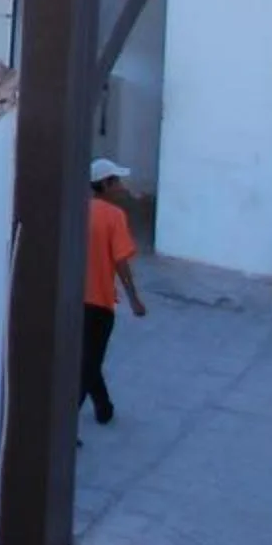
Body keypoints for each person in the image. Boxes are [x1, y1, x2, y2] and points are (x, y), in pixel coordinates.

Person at [84, 158, 148, 425]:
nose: (121, 186)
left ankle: (104, 408)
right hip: (99, 301)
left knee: (87, 360)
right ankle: (66, 424)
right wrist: (134, 299)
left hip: (75, 300)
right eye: (117, 180)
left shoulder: (79, 210)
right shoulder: (114, 217)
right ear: (106, 184)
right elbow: (121, 262)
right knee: (89, 364)